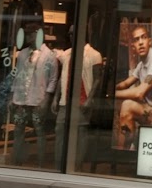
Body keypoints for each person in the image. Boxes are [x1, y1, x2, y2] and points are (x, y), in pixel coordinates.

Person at [52, 28, 103, 170]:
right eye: (69, 34)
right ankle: (59, 165)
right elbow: (62, 77)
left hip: (82, 100)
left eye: (73, 33)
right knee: (60, 130)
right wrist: (56, 97)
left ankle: (77, 165)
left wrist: (89, 99)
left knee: (80, 133)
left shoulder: (94, 55)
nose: (70, 36)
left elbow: (97, 79)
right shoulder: (67, 54)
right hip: (66, 101)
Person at [10, 23, 59, 167]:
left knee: (39, 130)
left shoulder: (49, 55)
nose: (28, 37)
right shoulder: (23, 54)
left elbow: (53, 78)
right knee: (18, 128)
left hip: (38, 98)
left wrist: (47, 99)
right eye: (27, 34)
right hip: (21, 98)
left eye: (31, 34)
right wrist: (12, 96)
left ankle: (40, 162)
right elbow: (17, 75)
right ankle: (17, 160)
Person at [114, 24, 152, 150]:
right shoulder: (141, 65)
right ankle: (127, 148)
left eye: (144, 37)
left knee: (127, 105)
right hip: (151, 110)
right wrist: (110, 88)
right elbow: (125, 84)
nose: (140, 42)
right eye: (136, 40)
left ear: (150, 41)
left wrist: (112, 94)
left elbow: (139, 93)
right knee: (123, 107)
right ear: (133, 46)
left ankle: (124, 151)